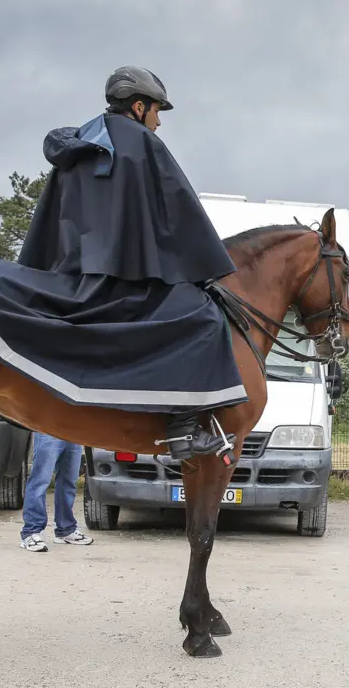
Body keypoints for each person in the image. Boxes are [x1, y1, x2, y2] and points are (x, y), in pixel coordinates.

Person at [16, 65, 244, 461]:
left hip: (70, 278)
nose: (158, 122)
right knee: (204, 318)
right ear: (139, 107)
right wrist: (203, 269)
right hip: (119, 282)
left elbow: (51, 218)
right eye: (157, 111)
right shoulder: (142, 144)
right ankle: (182, 428)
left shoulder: (77, 144)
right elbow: (179, 214)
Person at [19, 432, 93, 552]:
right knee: (40, 480)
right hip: (47, 428)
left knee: (68, 481)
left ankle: (66, 530)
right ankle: (30, 532)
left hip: (74, 430)